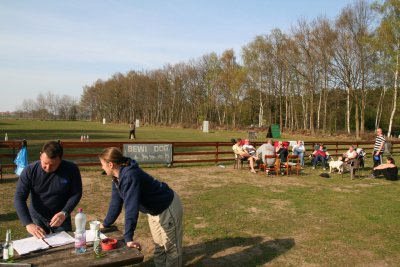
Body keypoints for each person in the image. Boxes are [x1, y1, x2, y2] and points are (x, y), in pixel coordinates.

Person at [98, 147, 183, 267]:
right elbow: (115, 204)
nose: (101, 167)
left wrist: (128, 239)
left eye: (102, 164)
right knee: (159, 248)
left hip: (167, 207)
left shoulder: (130, 176)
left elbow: (131, 208)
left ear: (110, 164)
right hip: (153, 211)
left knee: (171, 249)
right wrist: (105, 224)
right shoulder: (117, 179)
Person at [14, 141, 83, 239]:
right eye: (45, 163)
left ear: (60, 160)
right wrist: (28, 223)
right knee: (36, 249)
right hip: (37, 217)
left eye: (53, 165)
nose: (48, 167)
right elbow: (19, 197)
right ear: (40, 156)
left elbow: (76, 193)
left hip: (61, 217)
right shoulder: (29, 171)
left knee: (64, 247)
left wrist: (65, 212)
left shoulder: (71, 169)